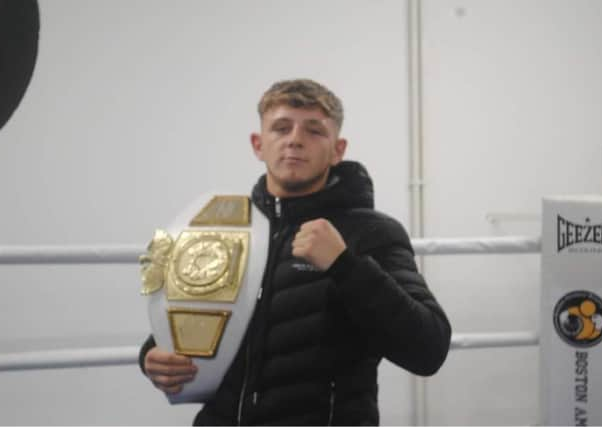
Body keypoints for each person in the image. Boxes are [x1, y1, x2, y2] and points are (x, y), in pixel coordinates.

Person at [139, 78, 451, 425]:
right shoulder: (226, 230)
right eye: (281, 128)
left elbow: (429, 348)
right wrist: (152, 355)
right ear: (258, 144)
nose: (295, 139)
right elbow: (199, 321)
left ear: (338, 149)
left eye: (314, 131)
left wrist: (345, 266)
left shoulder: (372, 233)